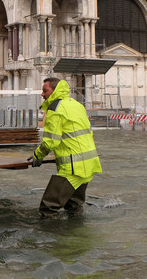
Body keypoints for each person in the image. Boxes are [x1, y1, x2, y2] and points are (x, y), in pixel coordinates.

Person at [29, 77, 102, 218]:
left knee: (48, 208)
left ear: (54, 90)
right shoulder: (76, 105)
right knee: (73, 206)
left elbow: (50, 142)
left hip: (72, 168)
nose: (42, 94)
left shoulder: (55, 109)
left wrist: (37, 156)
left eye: (45, 91)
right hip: (88, 165)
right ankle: (77, 231)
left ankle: (55, 233)